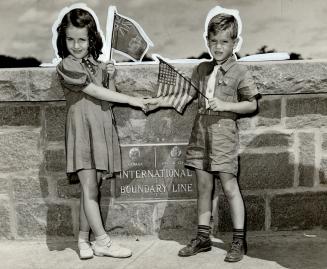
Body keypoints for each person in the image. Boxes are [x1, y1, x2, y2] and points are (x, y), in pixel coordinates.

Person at [151, 10, 259, 262]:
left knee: (230, 187)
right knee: (203, 188)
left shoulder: (239, 72)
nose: (218, 47)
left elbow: (251, 104)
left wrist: (226, 105)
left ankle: (238, 241)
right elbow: (186, 96)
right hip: (200, 139)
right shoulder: (201, 69)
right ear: (207, 41)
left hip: (223, 140)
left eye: (224, 41)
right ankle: (202, 238)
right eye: (213, 41)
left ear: (235, 43)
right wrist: (156, 102)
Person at [55, 7, 156, 260]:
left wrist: (110, 77)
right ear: (63, 39)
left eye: (82, 39)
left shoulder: (97, 66)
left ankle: (82, 239)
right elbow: (95, 93)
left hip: (100, 129)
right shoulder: (67, 65)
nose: (76, 45)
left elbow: (107, 100)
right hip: (82, 131)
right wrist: (132, 100)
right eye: (70, 39)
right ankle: (102, 241)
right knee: (90, 188)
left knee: (92, 189)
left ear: (92, 39)